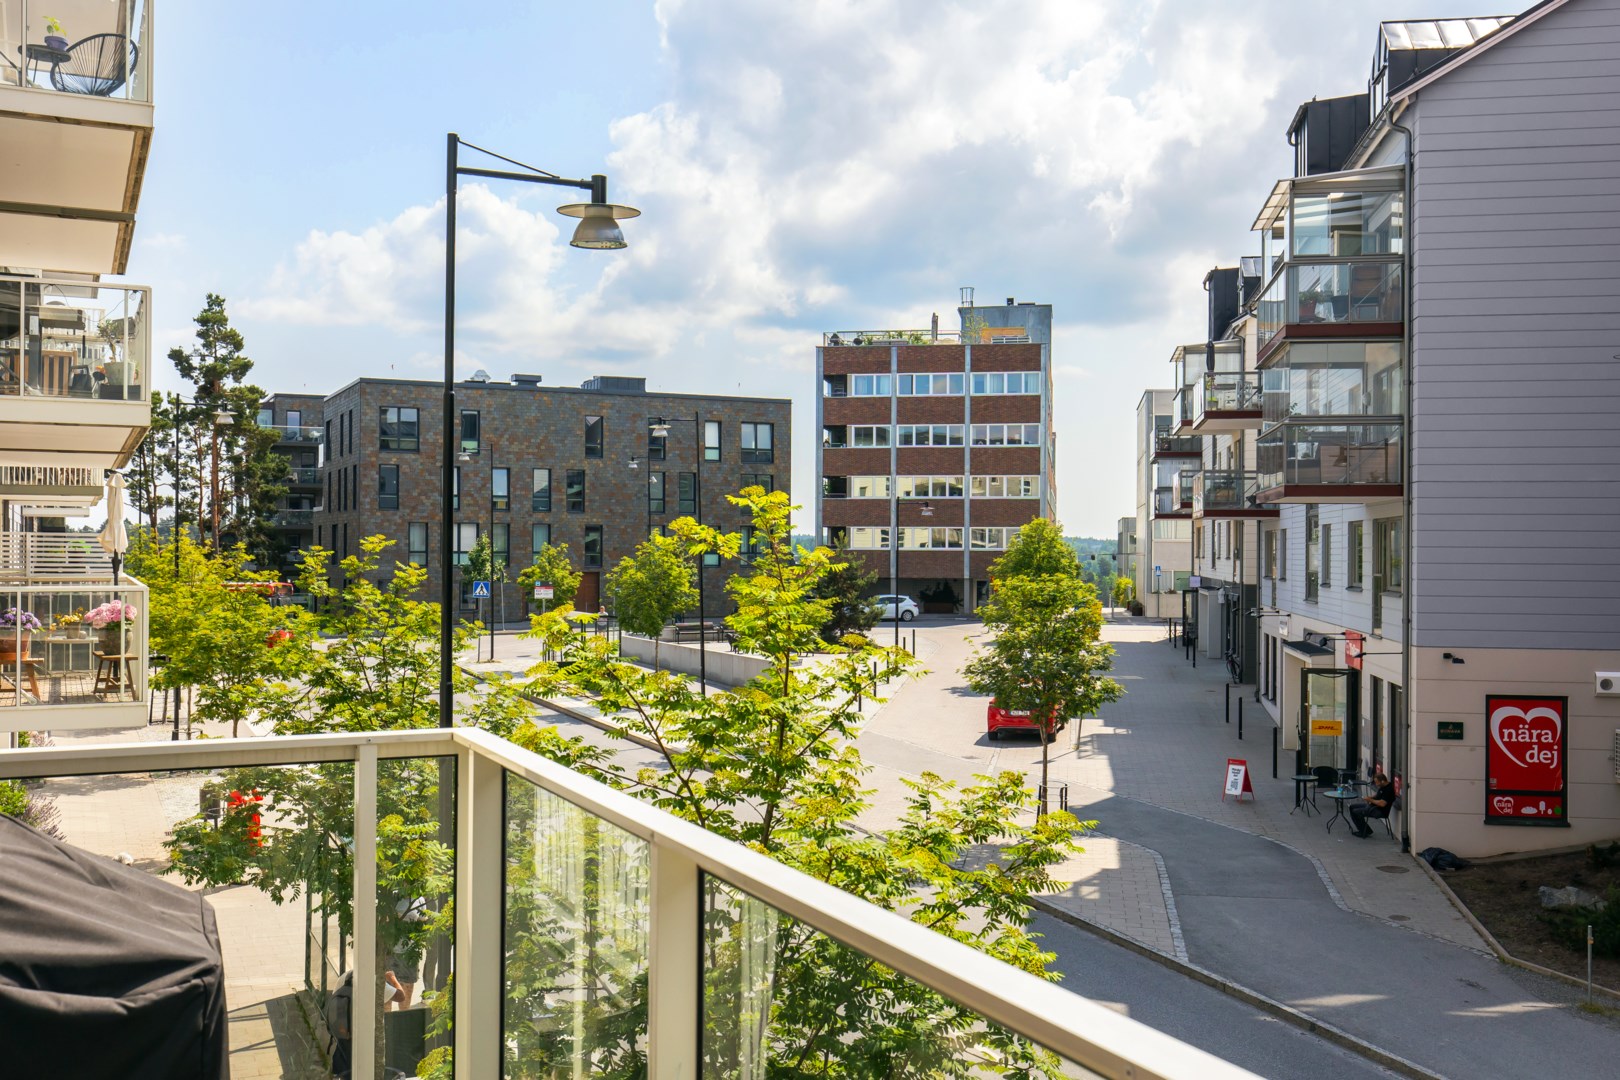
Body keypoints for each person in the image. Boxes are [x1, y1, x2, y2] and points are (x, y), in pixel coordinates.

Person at [1350, 772, 1396, 838]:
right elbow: (1378, 795)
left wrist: (1370, 800)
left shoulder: (1389, 790)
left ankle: (1363, 832)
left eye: (1377, 782)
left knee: (1355, 812)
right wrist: (1371, 797)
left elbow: (1382, 804)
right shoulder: (1383, 786)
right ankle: (1366, 830)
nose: (1376, 784)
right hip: (1373, 806)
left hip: (1379, 811)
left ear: (1382, 781)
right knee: (1352, 807)